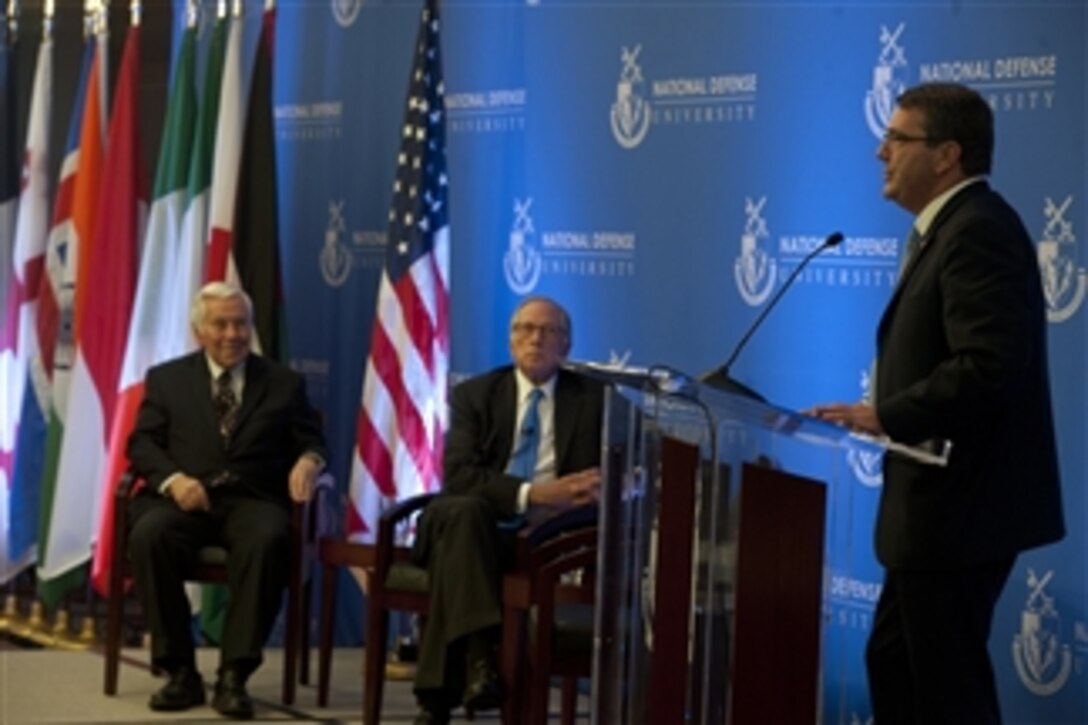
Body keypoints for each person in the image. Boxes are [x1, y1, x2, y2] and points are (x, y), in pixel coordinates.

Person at [812, 83, 1064, 724]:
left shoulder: (977, 230)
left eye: (897, 139)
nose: (880, 152)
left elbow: (989, 365)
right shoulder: (948, 229)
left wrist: (886, 413)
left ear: (947, 154)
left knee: (947, 693)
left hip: (961, 507)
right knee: (897, 669)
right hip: (932, 511)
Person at [125, 281, 326, 719]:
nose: (233, 334)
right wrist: (174, 480)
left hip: (251, 500)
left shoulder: (282, 383)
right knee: (149, 536)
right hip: (183, 501)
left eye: (241, 324)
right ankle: (180, 670)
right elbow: (142, 444)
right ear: (200, 330)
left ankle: (235, 674)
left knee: (269, 539)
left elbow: (311, 440)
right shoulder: (167, 379)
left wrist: (309, 461)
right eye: (221, 324)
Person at [411, 296, 604, 725]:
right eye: (524, 330)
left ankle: (440, 697)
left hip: (547, 536)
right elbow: (459, 475)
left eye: (548, 331)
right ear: (510, 341)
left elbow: (618, 468)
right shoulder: (475, 395)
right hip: (475, 520)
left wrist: (600, 487)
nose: (535, 339)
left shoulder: (594, 400)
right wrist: (536, 493)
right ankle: (480, 661)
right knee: (466, 514)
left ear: (566, 345)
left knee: (458, 550)